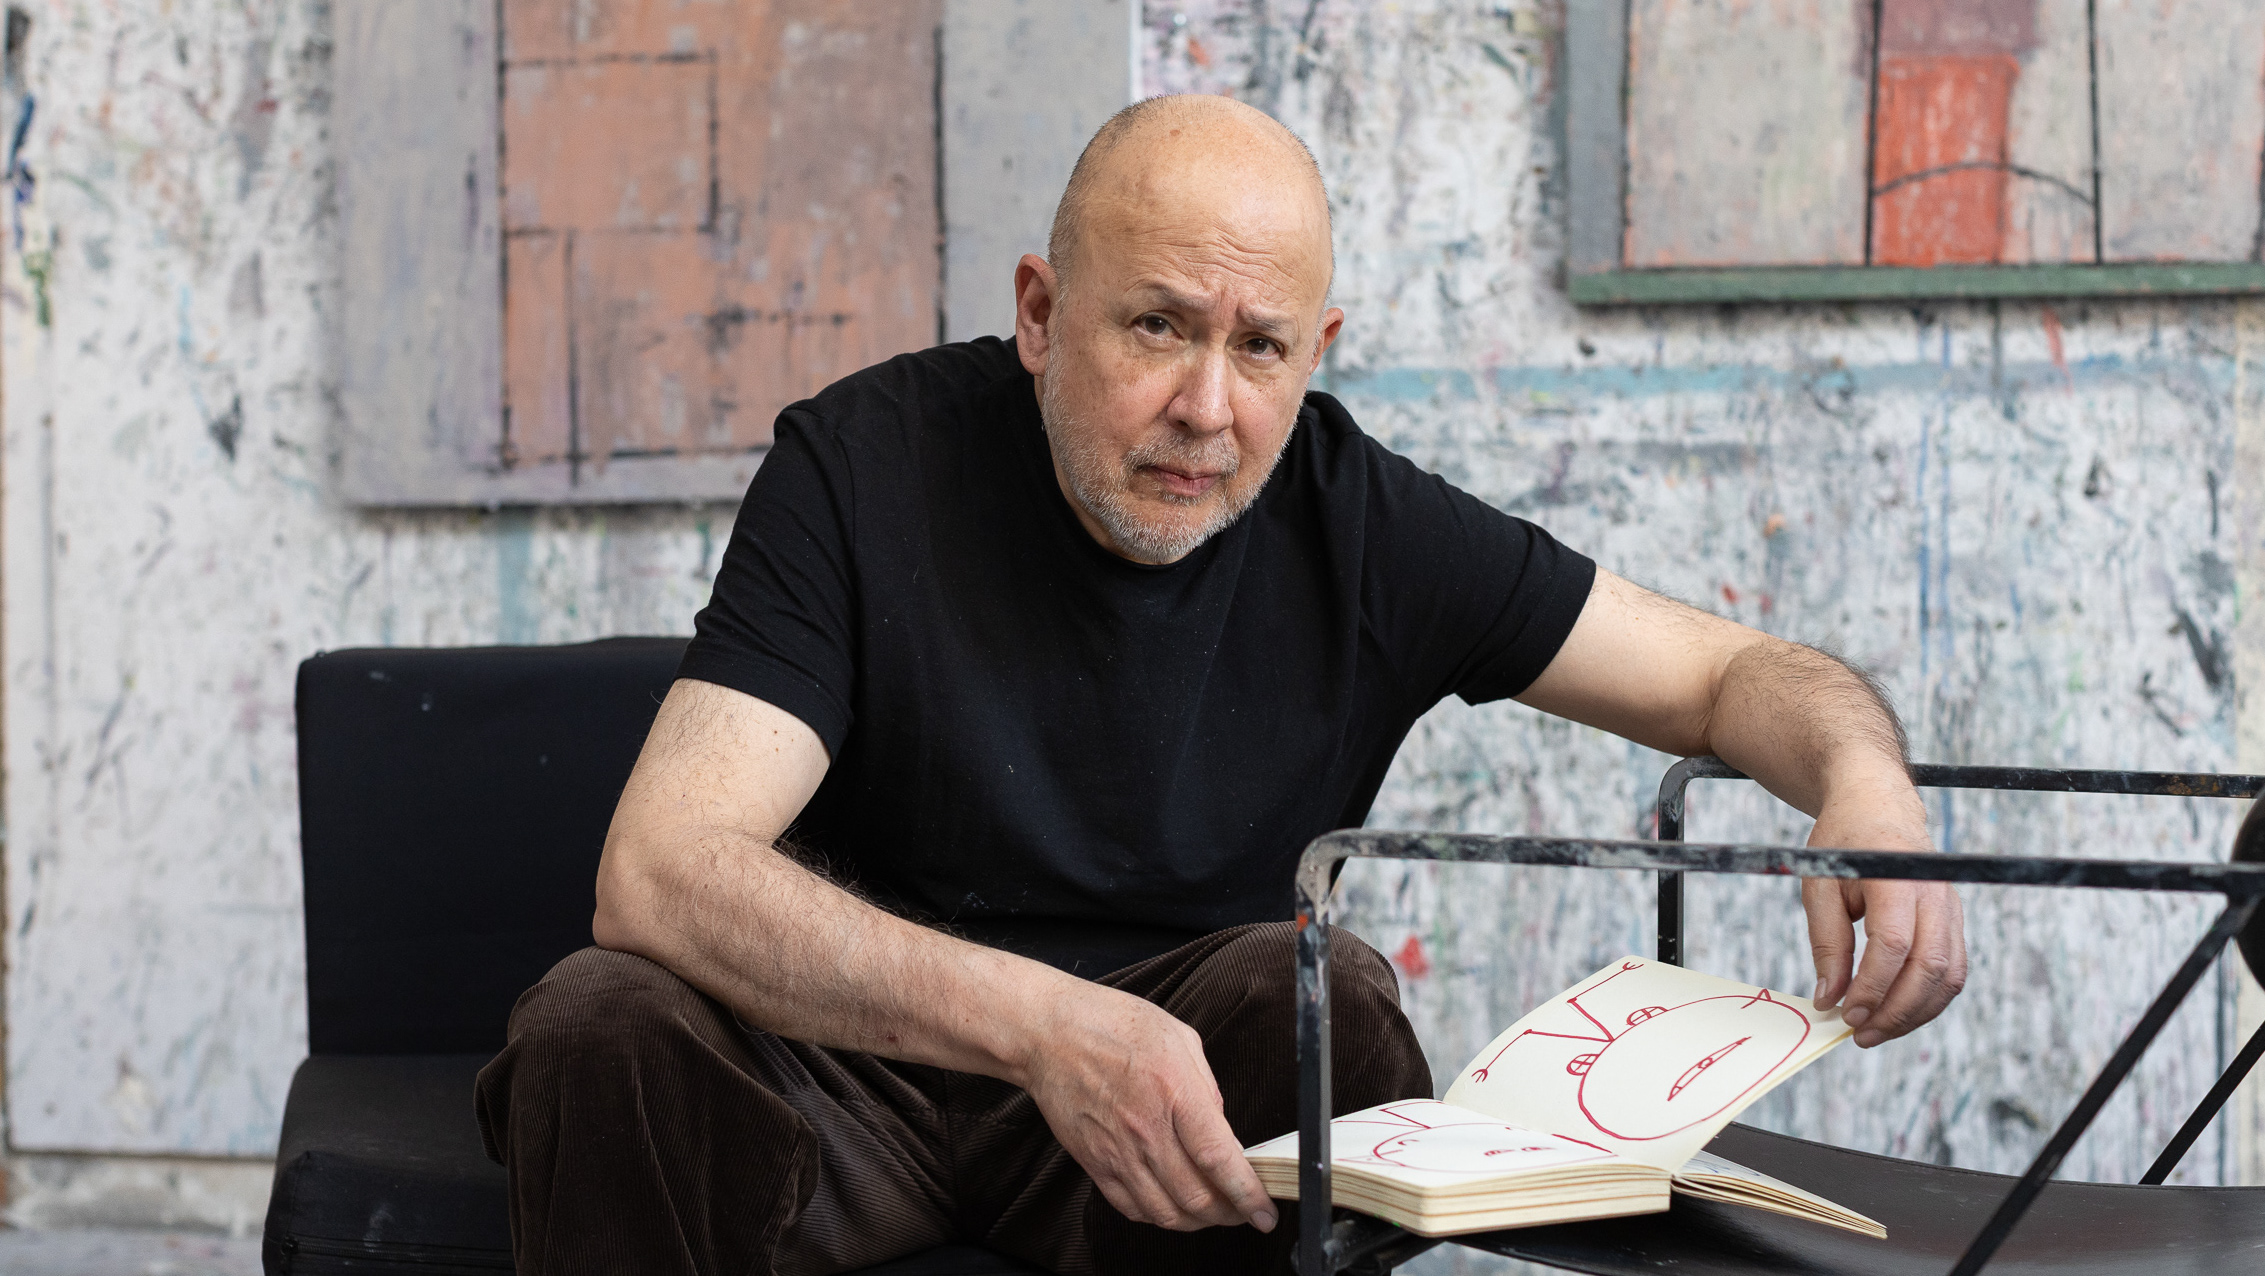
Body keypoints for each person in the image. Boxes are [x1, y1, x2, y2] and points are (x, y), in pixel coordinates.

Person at [474, 95, 1966, 1276]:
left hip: (1169, 1121)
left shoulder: (1362, 524)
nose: (1207, 407)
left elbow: (1730, 675)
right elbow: (661, 869)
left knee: (1322, 1003)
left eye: (1259, 349)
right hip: (848, 1073)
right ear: (1041, 313)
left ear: (1316, 353)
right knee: (604, 1018)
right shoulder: (865, 463)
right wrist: (1047, 1026)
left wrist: (1864, 782)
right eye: (1158, 326)